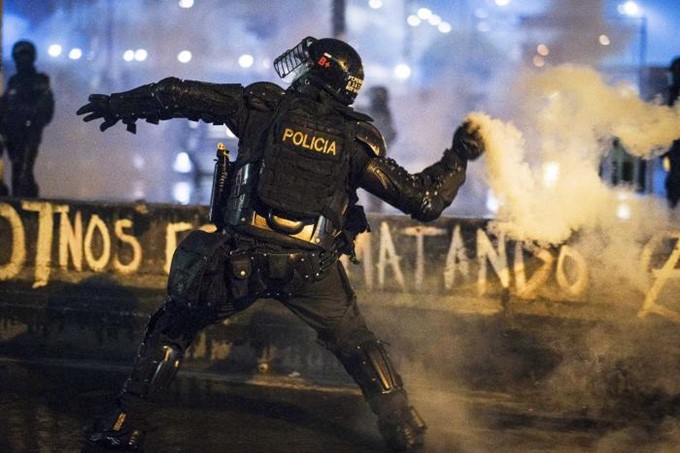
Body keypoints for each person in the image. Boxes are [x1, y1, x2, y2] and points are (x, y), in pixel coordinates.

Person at [77, 36, 485, 451]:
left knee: (173, 328)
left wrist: (120, 105)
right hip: (311, 269)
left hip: (240, 257)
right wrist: (459, 155)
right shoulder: (356, 139)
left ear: (316, 73)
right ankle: (405, 429)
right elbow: (423, 200)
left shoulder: (264, 106)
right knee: (358, 344)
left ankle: (124, 425)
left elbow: (179, 94)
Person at [0, 40, 55, 197]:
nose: (22, 60)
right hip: (11, 132)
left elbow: (45, 109)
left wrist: (28, 117)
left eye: (25, 55)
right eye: (19, 56)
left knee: (24, 171)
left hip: (28, 132)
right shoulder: (14, 81)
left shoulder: (39, 81)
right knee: (17, 167)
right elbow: (5, 104)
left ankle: (25, 200)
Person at [365, 85, 397, 213]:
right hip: (371, 152)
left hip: (375, 154)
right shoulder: (374, 111)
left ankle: (376, 207)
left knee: (374, 179)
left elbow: (391, 133)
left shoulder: (383, 113)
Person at [663, 57, 680, 208]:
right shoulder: (672, 92)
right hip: (674, 147)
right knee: (674, 180)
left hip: (675, 146)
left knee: (674, 180)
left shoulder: (673, 93)